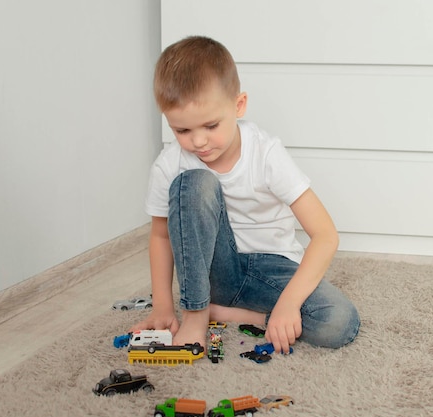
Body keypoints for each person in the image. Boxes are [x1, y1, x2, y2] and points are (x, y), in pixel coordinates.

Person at [130, 36, 359, 353]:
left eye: (210, 125)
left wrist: (288, 303)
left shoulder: (266, 153)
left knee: (339, 323)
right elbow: (161, 236)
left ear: (238, 105)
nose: (198, 141)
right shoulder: (170, 165)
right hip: (211, 272)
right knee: (193, 182)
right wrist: (163, 306)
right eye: (182, 131)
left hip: (270, 269)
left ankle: (240, 314)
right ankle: (196, 313)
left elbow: (325, 235)